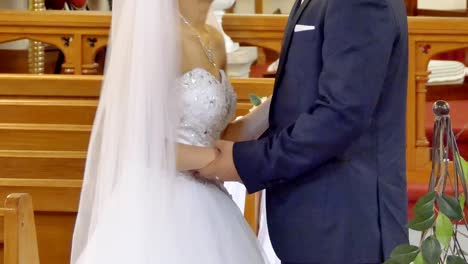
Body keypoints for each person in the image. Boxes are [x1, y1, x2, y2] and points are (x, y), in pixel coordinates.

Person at [198, 0, 410, 263]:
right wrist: (253, 123)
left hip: (344, 222)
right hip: (318, 218)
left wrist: (246, 161)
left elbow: (340, 116)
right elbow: (311, 88)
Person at [70, 0, 270, 263]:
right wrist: (221, 161)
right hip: (160, 205)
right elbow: (141, 142)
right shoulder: (155, 38)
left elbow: (215, 135)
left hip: (212, 204)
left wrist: (272, 106)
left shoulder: (214, 38)